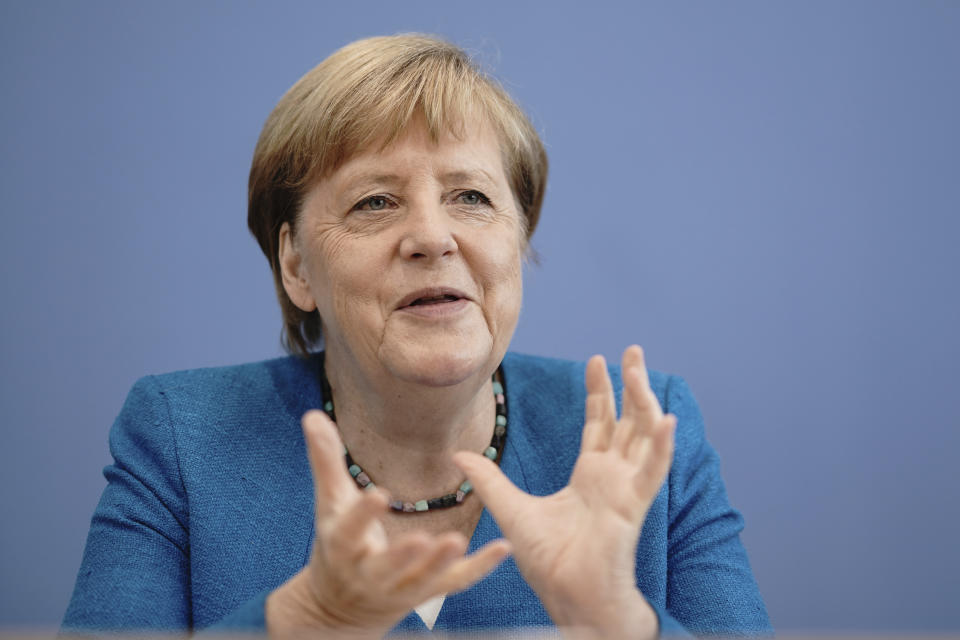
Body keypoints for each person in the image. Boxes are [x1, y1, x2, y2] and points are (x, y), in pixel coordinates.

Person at [62, 34, 772, 638]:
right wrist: (308, 617)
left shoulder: (641, 433)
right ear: (296, 265)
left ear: (518, 240)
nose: (433, 237)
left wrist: (621, 620)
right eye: (375, 202)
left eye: (471, 196)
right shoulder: (182, 438)